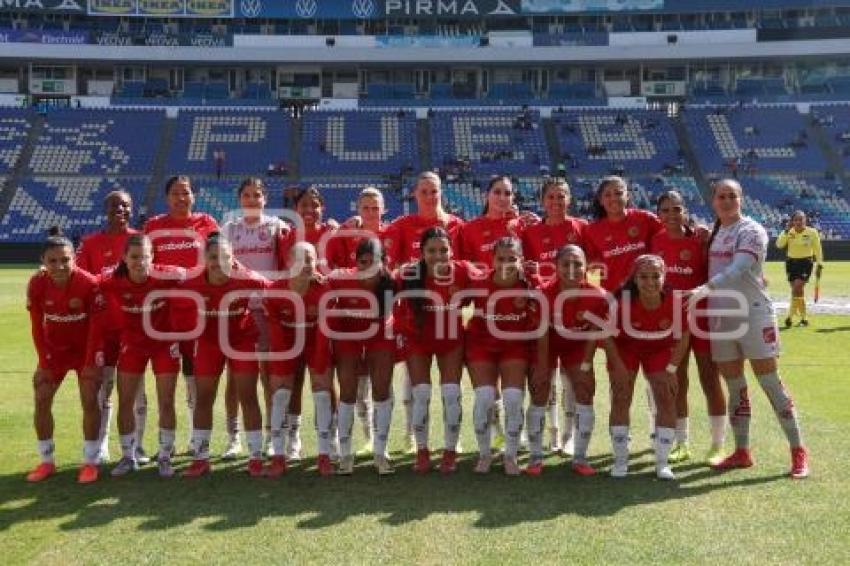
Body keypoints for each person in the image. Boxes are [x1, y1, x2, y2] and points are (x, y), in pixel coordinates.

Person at [688, 179, 809, 479]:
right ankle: (742, 451)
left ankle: (798, 451)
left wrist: (706, 288)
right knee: (735, 387)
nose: (727, 200)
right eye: (721, 196)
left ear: (741, 200)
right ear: (713, 200)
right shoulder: (715, 232)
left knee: (769, 381)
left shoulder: (751, 230)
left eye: (732, 196)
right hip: (721, 317)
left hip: (754, 315)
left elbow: (740, 267)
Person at [382, 172, 465, 453]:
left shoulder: (457, 226)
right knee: (418, 390)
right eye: (424, 191)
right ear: (414, 194)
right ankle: (418, 444)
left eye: (435, 191)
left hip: (448, 324)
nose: (430, 196)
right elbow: (385, 269)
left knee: (451, 392)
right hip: (414, 321)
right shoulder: (401, 226)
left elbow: (474, 272)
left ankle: (451, 446)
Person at [181, 233, 269, 478]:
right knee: (204, 398)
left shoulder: (249, 279)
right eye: (212, 257)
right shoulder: (191, 283)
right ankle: (200, 458)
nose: (219, 262)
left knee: (248, 396)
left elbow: (277, 289)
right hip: (209, 343)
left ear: (233, 258)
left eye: (225, 257)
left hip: (241, 340)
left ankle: (255, 458)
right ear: (204, 259)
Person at [144, 175, 219, 455]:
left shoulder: (207, 224)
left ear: (193, 197)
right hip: (163, 313)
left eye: (185, 193)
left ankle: (194, 438)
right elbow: (143, 263)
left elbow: (220, 257)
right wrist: (171, 274)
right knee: (165, 380)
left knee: (194, 377)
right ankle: (166, 442)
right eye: (175, 193)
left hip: (198, 313)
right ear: (167, 198)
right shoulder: (154, 226)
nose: (181, 198)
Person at [396, 227, 480, 474]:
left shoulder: (463, 271)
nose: (438, 255)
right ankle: (422, 451)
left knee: (451, 393)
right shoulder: (408, 274)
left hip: (450, 338)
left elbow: (489, 281)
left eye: (444, 250)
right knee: (420, 394)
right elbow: (382, 286)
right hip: (417, 339)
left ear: (452, 251)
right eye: (432, 251)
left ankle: (450, 451)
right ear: (421, 253)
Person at [651, 191, 726, 464]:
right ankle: (681, 442)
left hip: (702, 318)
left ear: (685, 211)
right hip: (671, 322)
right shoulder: (654, 241)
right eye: (666, 210)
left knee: (710, 379)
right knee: (677, 381)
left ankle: (717, 445)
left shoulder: (701, 239)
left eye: (677, 209)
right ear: (659, 215)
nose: (672, 215)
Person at [99, 235, 183, 478]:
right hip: (133, 345)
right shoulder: (112, 280)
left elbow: (199, 272)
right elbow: (87, 281)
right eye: (134, 257)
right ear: (124, 258)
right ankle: (128, 456)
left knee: (166, 401)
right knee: (125, 401)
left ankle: (165, 457)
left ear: (152, 256)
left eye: (145, 256)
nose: (139, 262)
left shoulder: (167, 275)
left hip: (164, 343)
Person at [26, 228, 104, 483]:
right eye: (53, 261)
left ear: (74, 258)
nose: (60, 266)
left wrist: (91, 361)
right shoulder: (37, 283)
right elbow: (37, 326)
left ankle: (90, 462)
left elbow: (96, 327)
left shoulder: (88, 283)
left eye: (65, 260)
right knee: (41, 397)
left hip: (85, 351)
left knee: (90, 400)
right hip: (54, 352)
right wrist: (44, 362)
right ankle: (46, 461)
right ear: (43, 262)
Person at [605, 255, 691, 480]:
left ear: (664, 276)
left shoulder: (675, 300)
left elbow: (684, 336)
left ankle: (662, 463)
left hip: (660, 350)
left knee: (666, 396)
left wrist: (672, 369)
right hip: (626, 349)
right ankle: (621, 460)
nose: (650, 282)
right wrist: (617, 366)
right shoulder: (621, 301)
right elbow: (605, 335)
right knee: (621, 396)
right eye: (643, 276)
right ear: (634, 278)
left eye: (656, 276)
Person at [222, 177, 290, 459]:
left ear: (264, 199)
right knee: (234, 377)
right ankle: (233, 437)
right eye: (247, 195)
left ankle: (271, 433)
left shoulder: (276, 227)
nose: (252, 200)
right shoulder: (229, 229)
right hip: (237, 309)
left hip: (266, 309)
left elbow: (292, 250)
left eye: (257, 195)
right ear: (240, 199)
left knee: (267, 374)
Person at [521, 178, 587, 456]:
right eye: (551, 197)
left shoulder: (581, 228)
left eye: (561, 197)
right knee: (544, 375)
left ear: (569, 199)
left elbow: (595, 264)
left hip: (574, 313)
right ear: (542, 200)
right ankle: (553, 432)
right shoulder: (530, 232)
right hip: (544, 313)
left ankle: (570, 436)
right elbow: (522, 268)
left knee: (571, 378)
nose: (556, 202)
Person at [75, 189, 142, 465]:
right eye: (115, 206)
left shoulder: (140, 241)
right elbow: (78, 275)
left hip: (132, 328)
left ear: (132, 209)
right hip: (102, 329)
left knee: (137, 392)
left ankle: (135, 447)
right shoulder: (90, 243)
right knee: (104, 389)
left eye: (125, 206)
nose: (120, 210)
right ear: (105, 210)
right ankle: (101, 445)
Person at [531, 245, 610, 476]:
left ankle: (580, 458)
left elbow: (594, 334)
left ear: (586, 267)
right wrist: (543, 368)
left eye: (578, 264)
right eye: (566, 264)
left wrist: (585, 365)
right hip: (549, 344)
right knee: (540, 389)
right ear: (556, 267)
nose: (572, 269)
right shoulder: (543, 292)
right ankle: (535, 458)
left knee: (585, 390)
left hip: (578, 347)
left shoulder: (597, 296)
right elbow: (542, 334)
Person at [325, 187, 392, 457]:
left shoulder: (393, 231)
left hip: (384, 320)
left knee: (384, 382)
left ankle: (384, 441)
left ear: (384, 209)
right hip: (351, 322)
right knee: (355, 386)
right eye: (366, 208)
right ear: (358, 209)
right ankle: (362, 438)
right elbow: (334, 272)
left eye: (376, 208)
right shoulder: (345, 235)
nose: (371, 213)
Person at [465, 238, 540, 475]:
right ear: (492, 259)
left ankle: (510, 455)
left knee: (513, 399)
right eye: (501, 258)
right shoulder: (478, 283)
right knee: (485, 398)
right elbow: (449, 304)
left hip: (514, 347)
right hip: (481, 345)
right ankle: (485, 454)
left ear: (521, 261)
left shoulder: (529, 286)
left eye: (512, 258)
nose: (506, 263)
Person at [274, 186, 338, 463]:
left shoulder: (333, 233)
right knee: (294, 378)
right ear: (295, 209)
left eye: (315, 205)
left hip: (325, 313)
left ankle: (331, 438)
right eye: (304, 206)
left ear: (323, 207)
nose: (310, 210)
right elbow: (283, 272)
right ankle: (294, 438)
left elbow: (343, 268)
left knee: (325, 377)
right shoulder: (286, 237)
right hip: (293, 314)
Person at [265, 242, 334, 477]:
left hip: (316, 342)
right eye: (300, 259)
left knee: (322, 392)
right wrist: (284, 367)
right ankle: (278, 456)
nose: (305, 264)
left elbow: (324, 332)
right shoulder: (274, 292)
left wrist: (319, 363)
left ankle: (325, 454)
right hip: (285, 344)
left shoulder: (325, 290)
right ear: (288, 263)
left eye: (310, 259)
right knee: (281, 393)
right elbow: (276, 334)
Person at [328, 238, 397, 475]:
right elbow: (320, 286)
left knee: (381, 390)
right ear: (355, 262)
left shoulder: (393, 281)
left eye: (374, 262)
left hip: (381, 335)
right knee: (347, 393)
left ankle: (381, 452)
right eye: (362, 262)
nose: (368, 267)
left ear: (384, 262)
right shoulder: (340, 278)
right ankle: (345, 455)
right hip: (348, 335)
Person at [775, 210, 824, 328]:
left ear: (805, 220)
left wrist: (820, 264)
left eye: (801, 219)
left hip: (805, 263)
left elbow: (817, 249)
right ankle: (804, 318)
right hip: (791, 263)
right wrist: (786, 231)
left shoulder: (812, 232)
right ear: (792, 221)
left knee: (797, 287)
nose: (798, 222)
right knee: (797, 291)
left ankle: (790, 316)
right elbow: (779, 244)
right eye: (796, 219)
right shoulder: (789, 232)